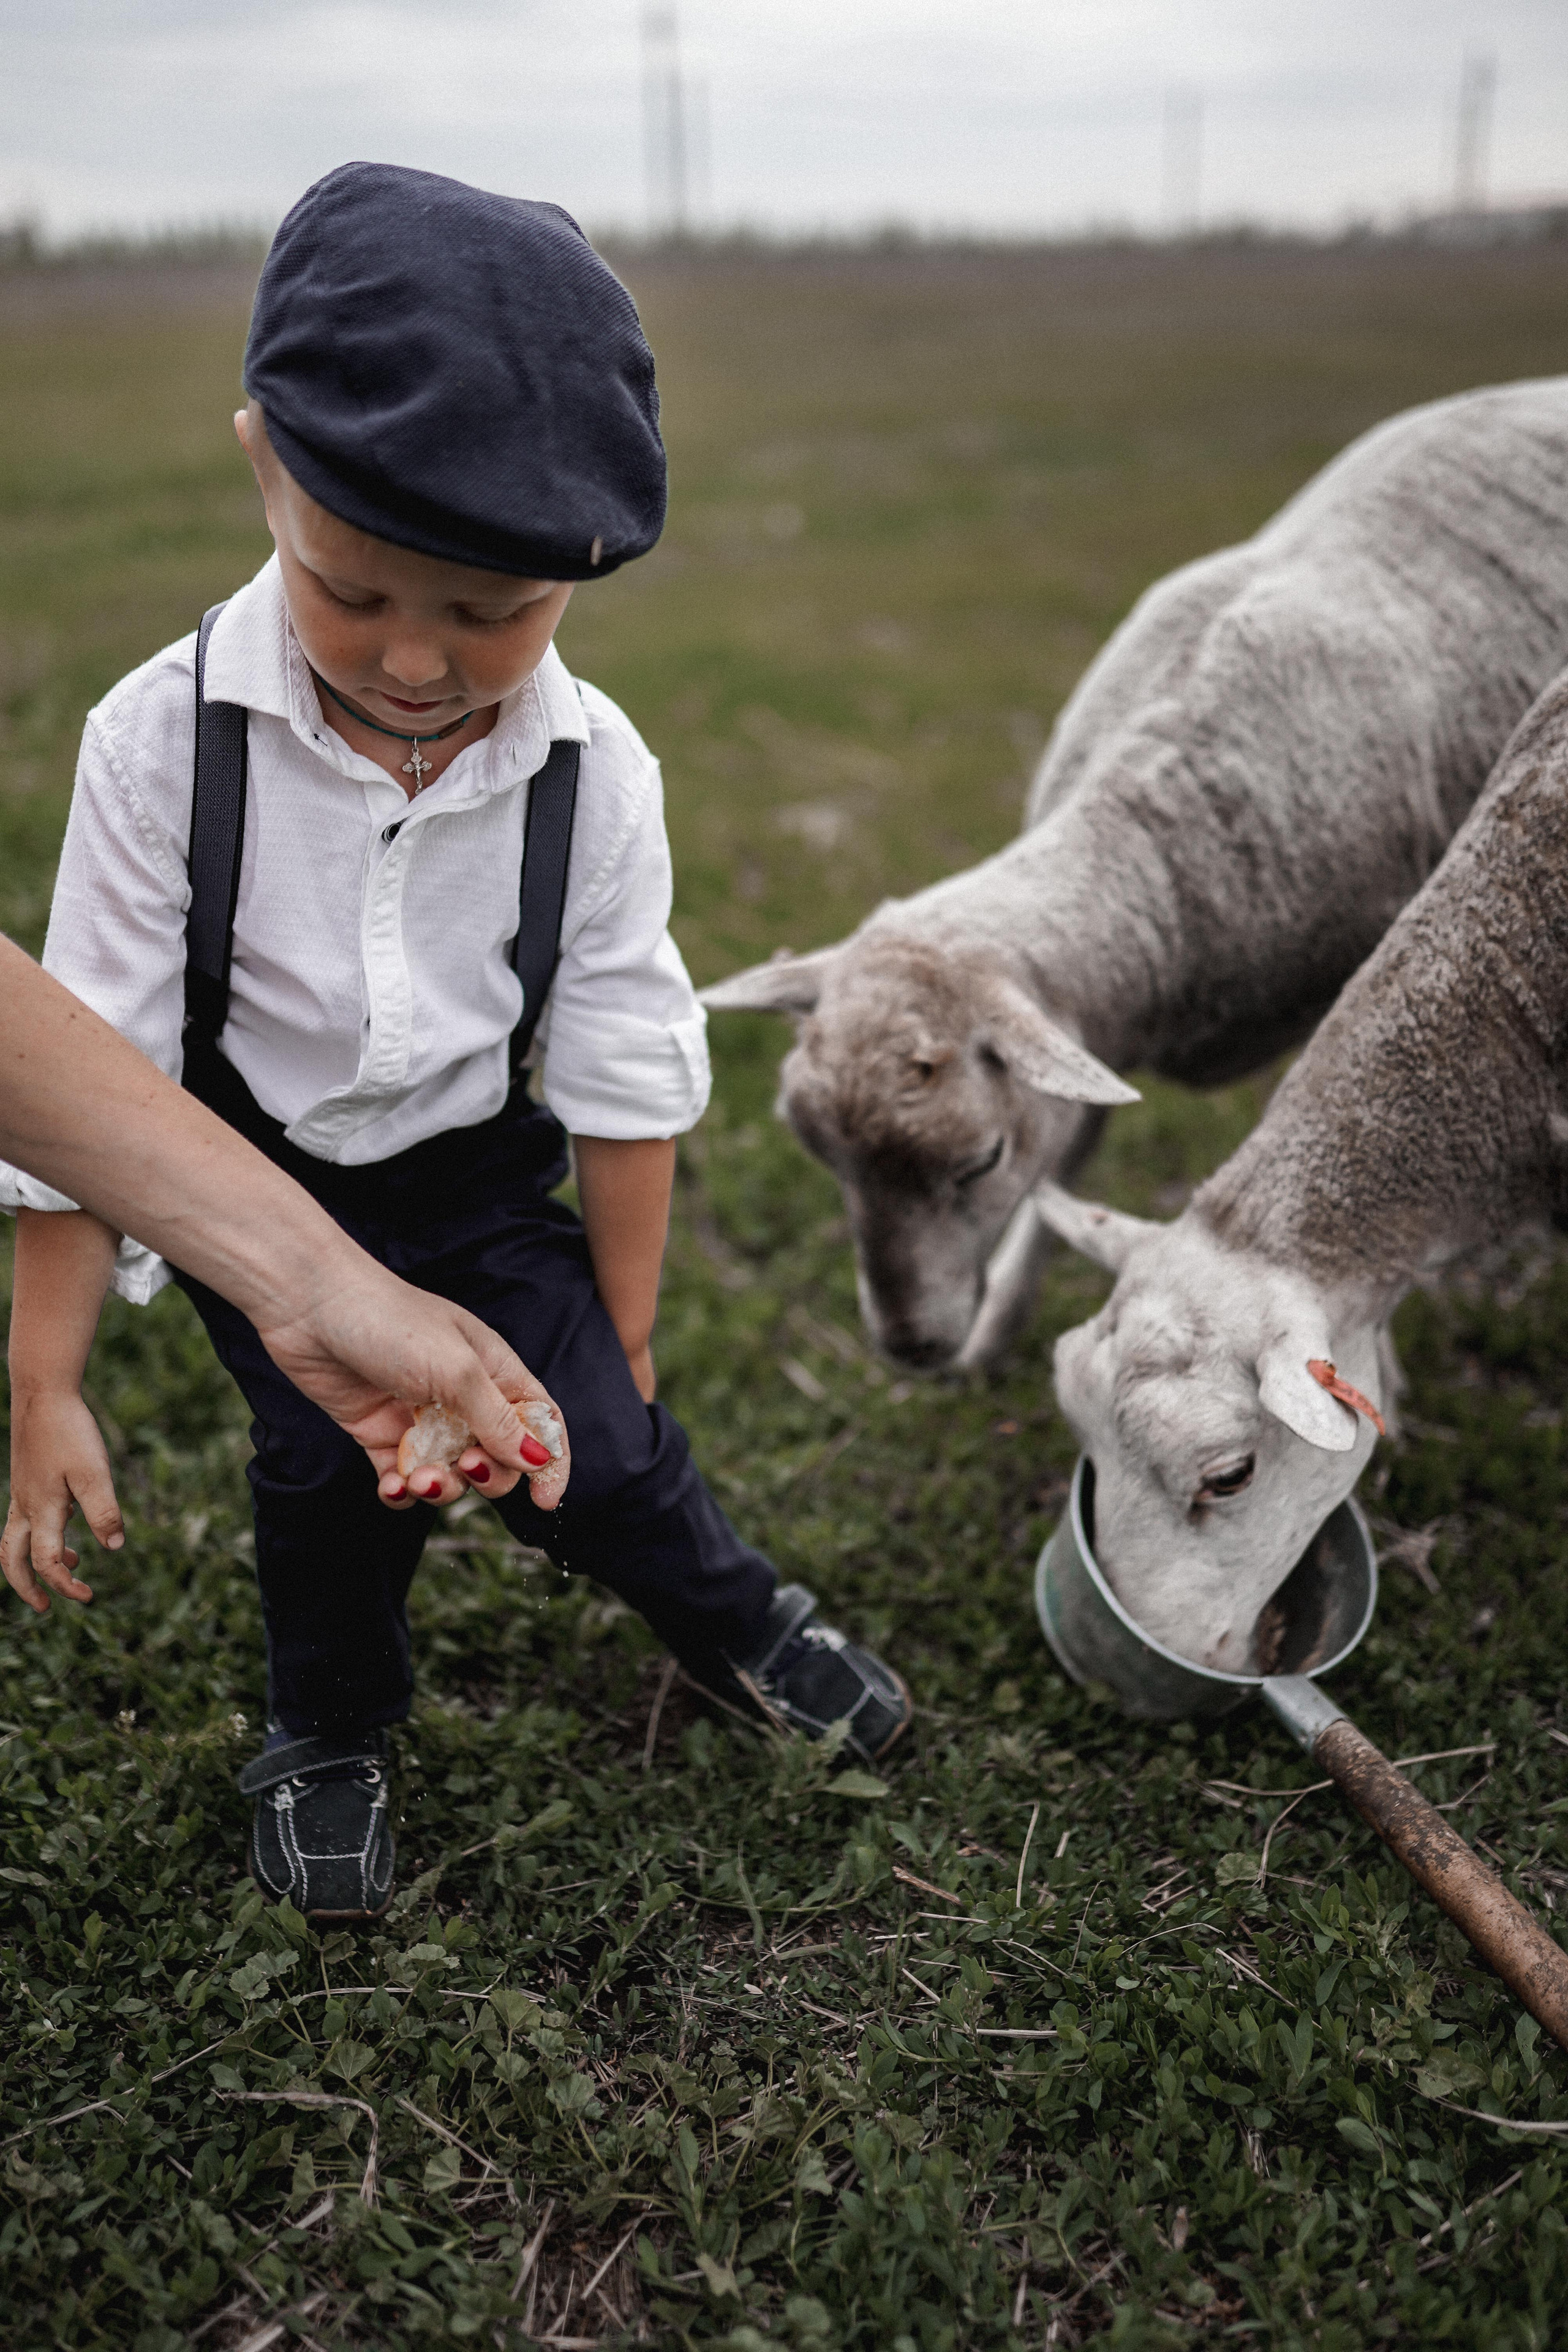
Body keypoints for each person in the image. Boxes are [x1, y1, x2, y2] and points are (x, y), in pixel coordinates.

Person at [1, 164, 910, 1923]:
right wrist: (47, 1381)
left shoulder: (596, 771)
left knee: (603, 1456)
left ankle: (742, 1624)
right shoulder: (156, 743)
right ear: (263, 465)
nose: (418, 661)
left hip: (480, 1179)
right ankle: (330, 1727)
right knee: (327, 1479)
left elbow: (625, 1053)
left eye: (493, 614)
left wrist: (620, 1338)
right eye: (354, 593)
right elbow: (79, 1077)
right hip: (251, 1180)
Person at [0, 931, 571, 1624]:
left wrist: (322, 1291)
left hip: (468, 1175)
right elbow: (84, 1038)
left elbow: (58, 1069)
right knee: (316, 1467)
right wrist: (44, 1387)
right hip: (257, 1135)